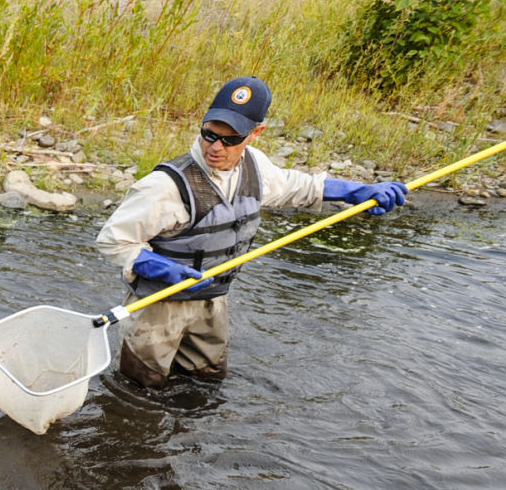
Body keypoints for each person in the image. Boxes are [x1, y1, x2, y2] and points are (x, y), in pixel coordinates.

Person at [95, 76, 408, 388]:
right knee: (141, 390)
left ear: (255, 133)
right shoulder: (164, 186)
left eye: (230, 139)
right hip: (158, 306)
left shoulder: (255, 167)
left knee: (207, 382)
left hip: (212, 300)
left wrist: (358, 191)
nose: (215, 147)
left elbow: (299, 186)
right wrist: (153, 265)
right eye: (209, 134)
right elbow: (112, 240)